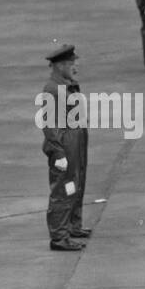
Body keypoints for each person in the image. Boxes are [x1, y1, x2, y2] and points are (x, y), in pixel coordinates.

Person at [41, 44, 91, 250]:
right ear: (60, 65)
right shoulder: (53, 89)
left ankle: (73, 226)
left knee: (76, 184)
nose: (75, 67)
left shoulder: (67, 84)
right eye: (71, 64)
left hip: (76, 140)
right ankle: (59, 238)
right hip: (64, 143)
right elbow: (49, 123)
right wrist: (58, 151)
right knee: (64, 189)